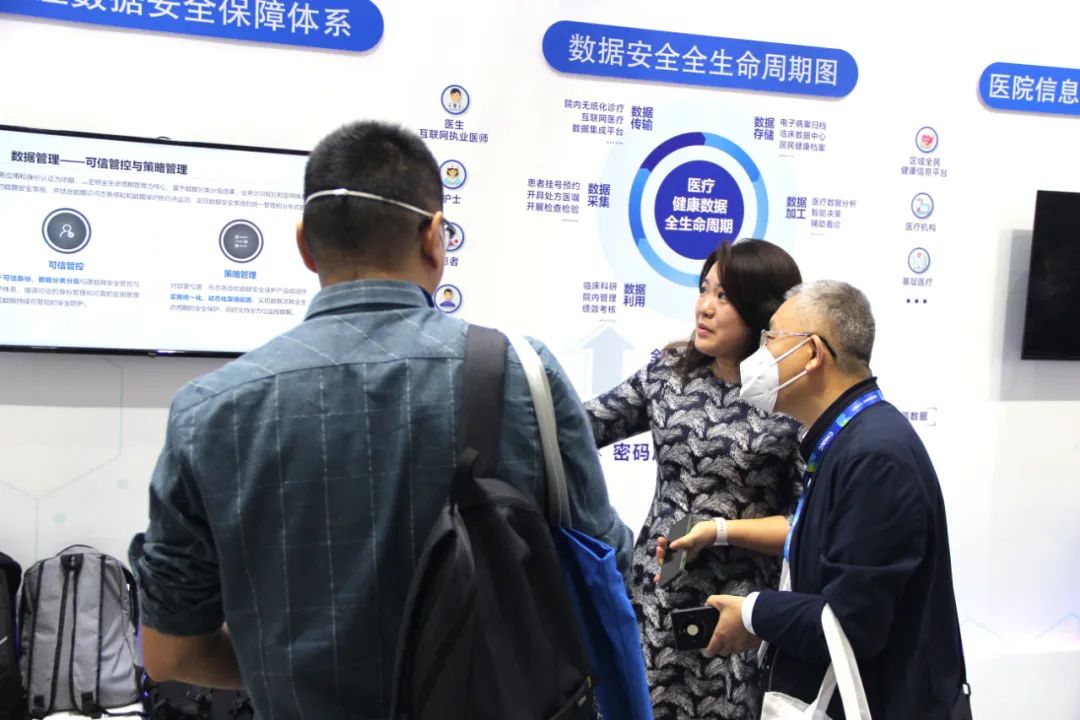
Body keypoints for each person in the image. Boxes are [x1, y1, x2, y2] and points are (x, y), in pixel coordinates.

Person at [129, 120, 634, 720]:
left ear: (304, 244)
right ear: (435, 238)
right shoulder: (522, 375)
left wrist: (283, 666)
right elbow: (604, 567)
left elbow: (169, 652)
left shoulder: (208, 413)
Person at [702, 280, 966, 719]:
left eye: (772, 338)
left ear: (811, 354)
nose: (761, 354)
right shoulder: (845, 441)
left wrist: (753, 613)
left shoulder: (874, 457)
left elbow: (852, 623)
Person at [584, 238, 804, 720]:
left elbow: (805, 528)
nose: (705, 307)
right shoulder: (668, 375)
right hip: (653, 595)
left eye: (724, 296)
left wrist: (721, 531)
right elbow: (580, 428)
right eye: (704, 289)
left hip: (735, 615)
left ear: (762, 310)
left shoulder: (791, 403)